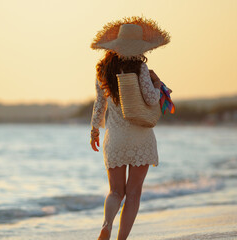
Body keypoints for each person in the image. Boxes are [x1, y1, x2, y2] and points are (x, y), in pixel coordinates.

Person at [89, 17, 171, 240]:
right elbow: (152, 99)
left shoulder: (103, 72)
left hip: (114, 137)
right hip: (140, 137)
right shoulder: (140, 68)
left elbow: (99, 105)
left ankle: (106, 225)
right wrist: (157, 83)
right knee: (133, 193)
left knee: (116, 191)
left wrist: (94, 130)